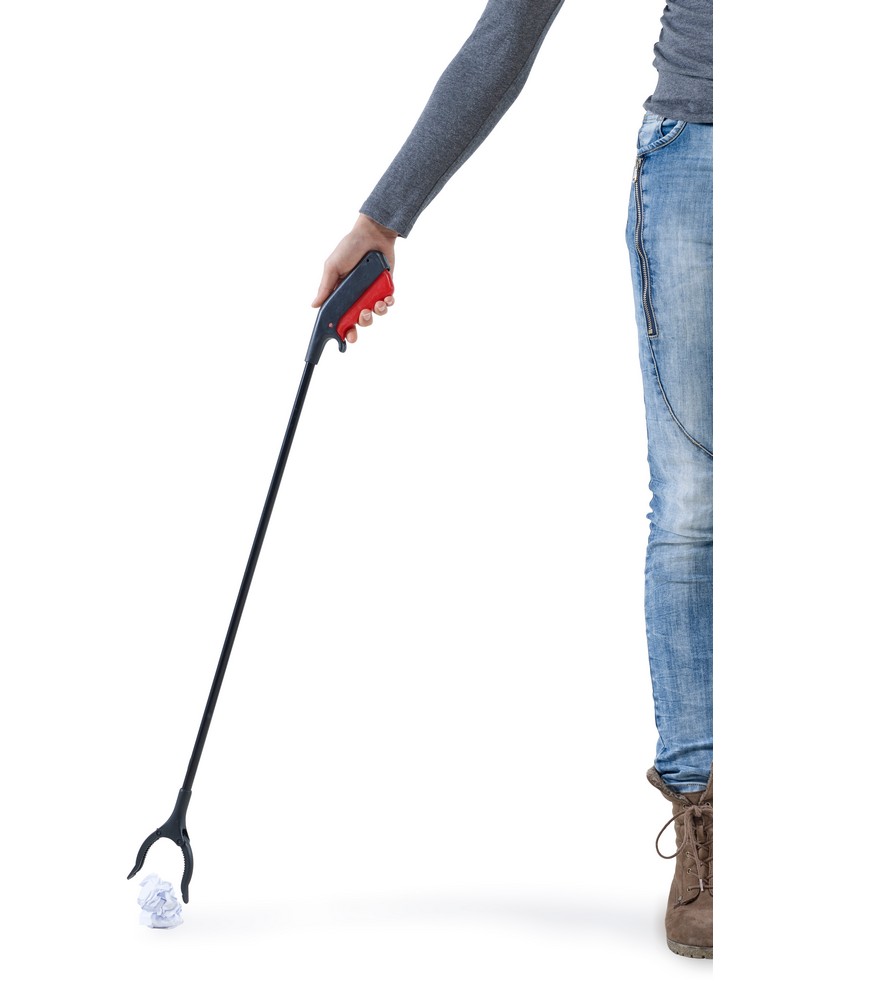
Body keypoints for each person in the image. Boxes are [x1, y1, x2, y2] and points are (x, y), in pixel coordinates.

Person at [313, 0, 712, 959]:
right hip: (704, 156)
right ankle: (711, 821)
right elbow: (512, 26)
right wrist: (385, 213)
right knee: (695, 506)